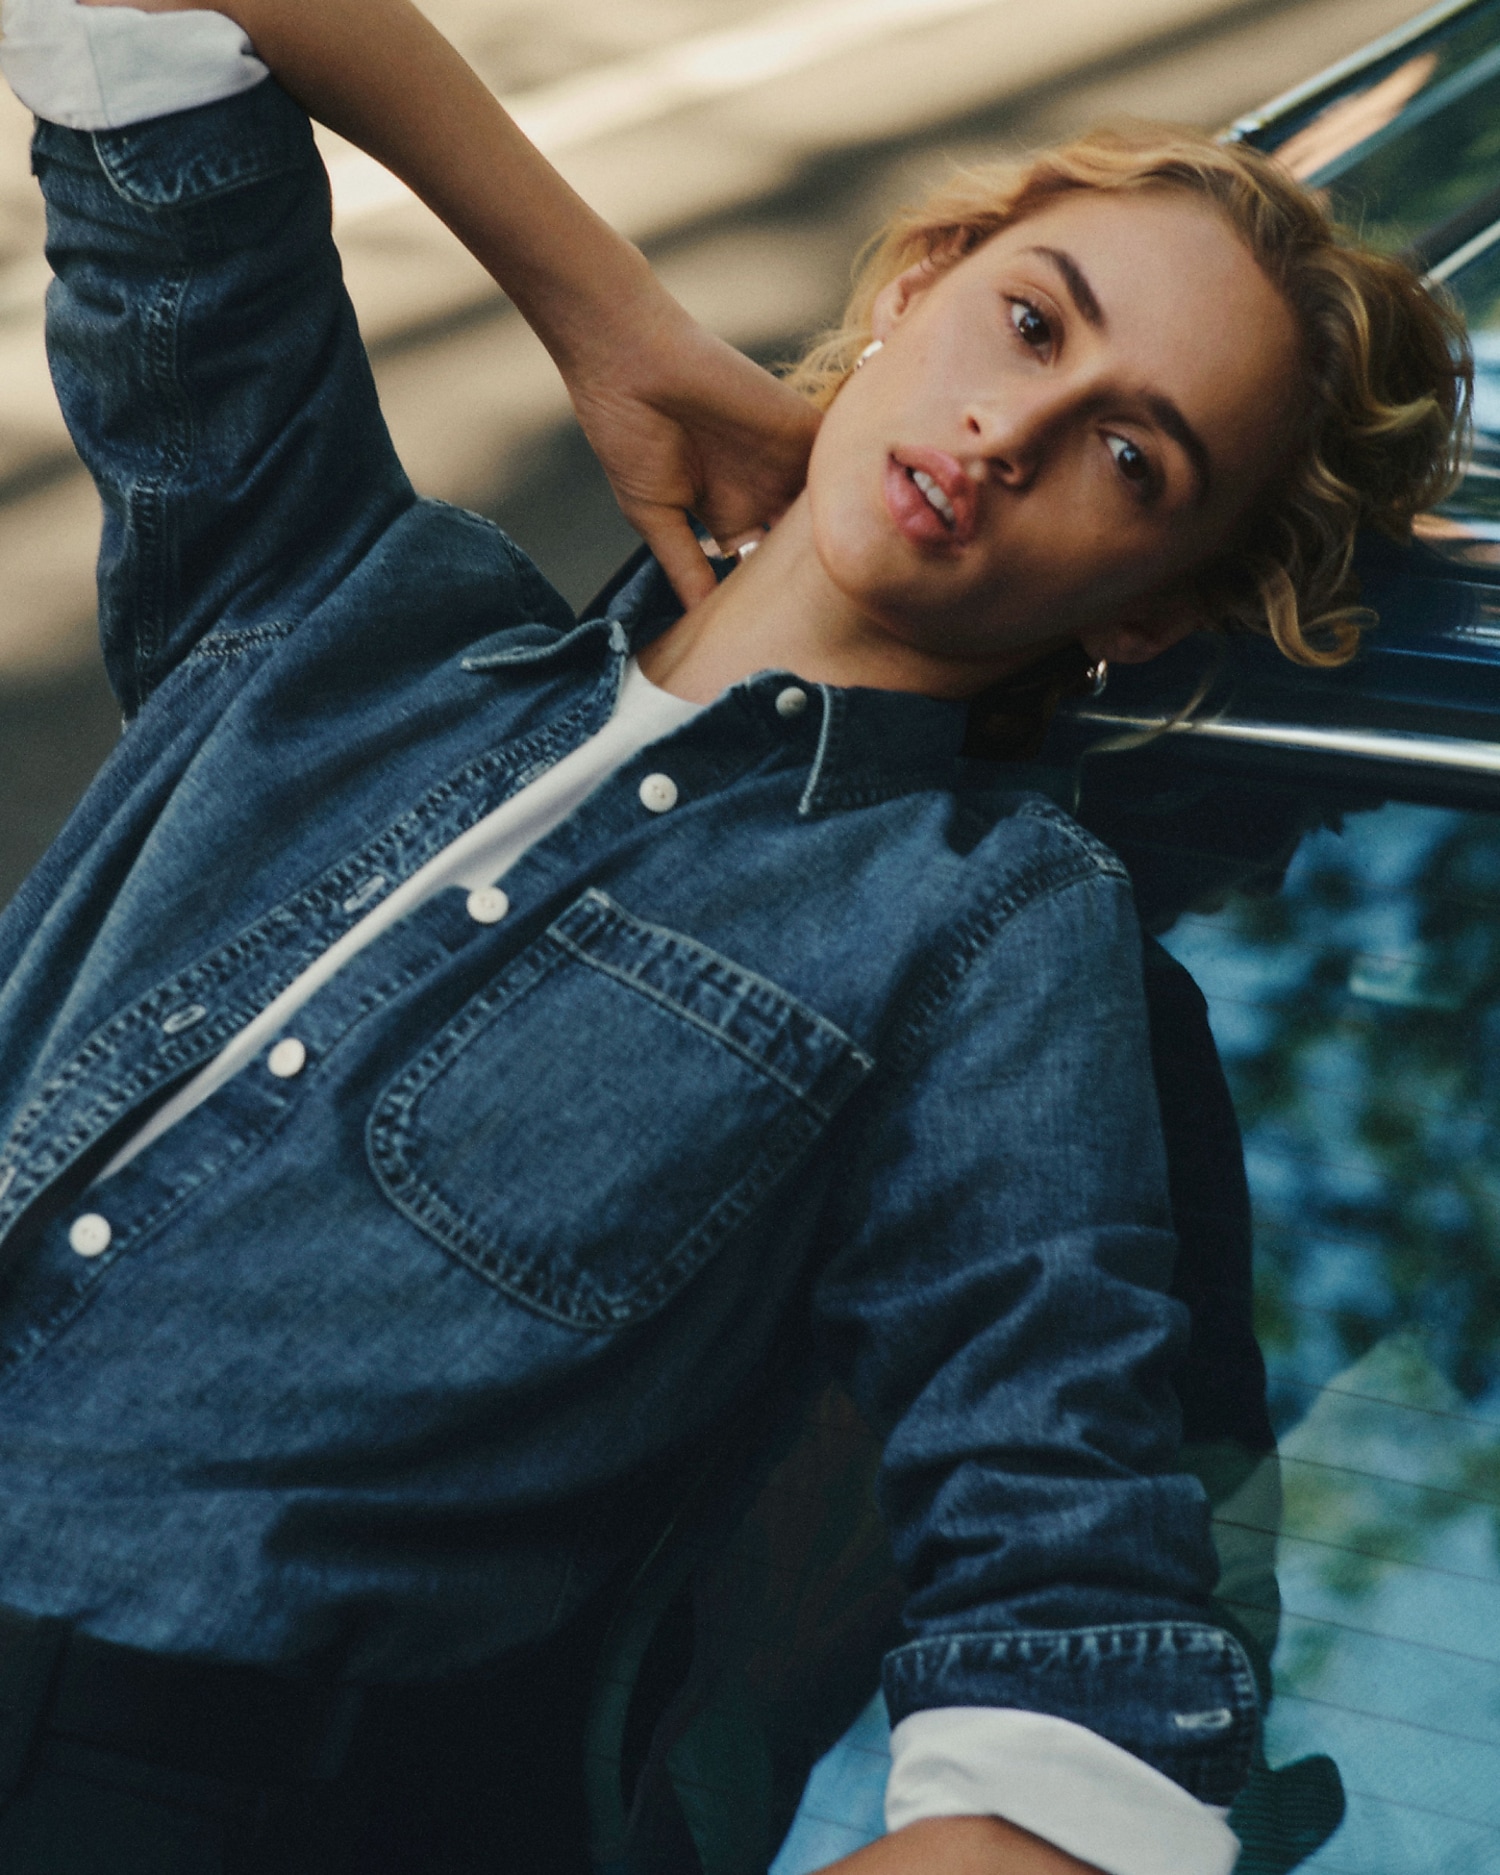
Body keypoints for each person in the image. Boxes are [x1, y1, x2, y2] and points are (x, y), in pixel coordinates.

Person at [0, 1, 1467, 1871]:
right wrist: (613, 316)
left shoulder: (988, 929)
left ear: (1158, 609)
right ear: (925, 279)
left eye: (1134, 458)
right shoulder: (349, 605)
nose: (1012, 429)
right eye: (1029, 321)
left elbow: (1074, 1710)